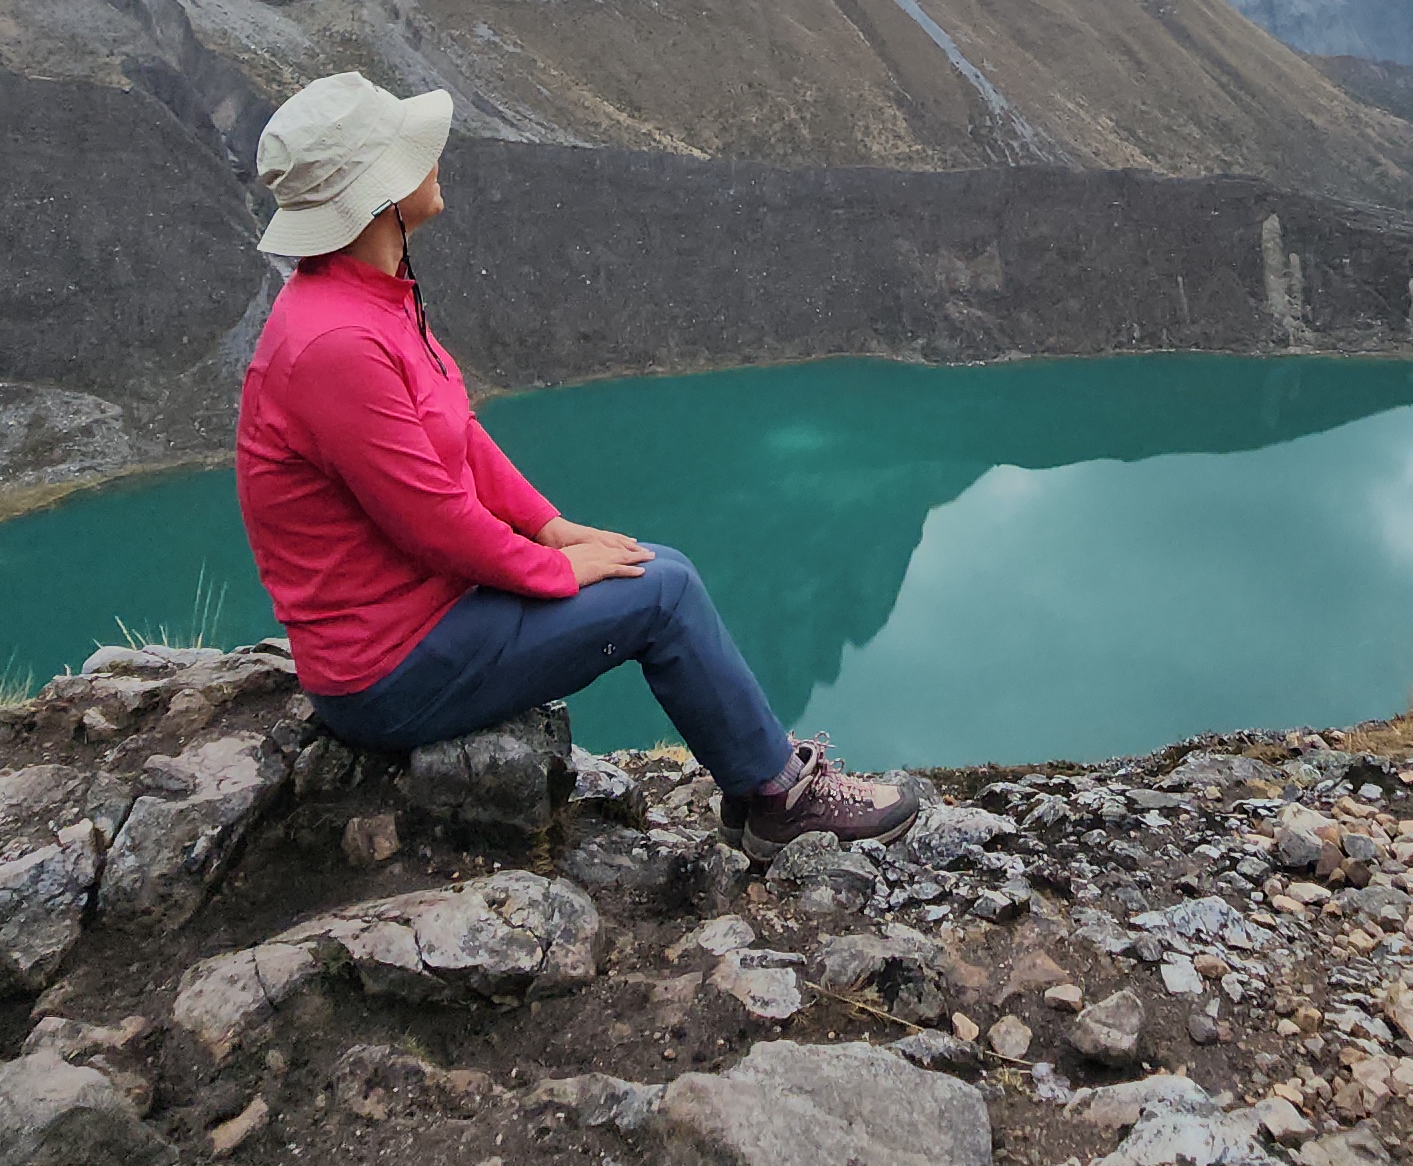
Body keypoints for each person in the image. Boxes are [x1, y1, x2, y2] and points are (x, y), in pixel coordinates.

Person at [233, 71, 916, 859]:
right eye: (412, 152)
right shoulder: (337, 346)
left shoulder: (368, 301)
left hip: (428, 622)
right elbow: (432, 523)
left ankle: (761, 783)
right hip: (390, 670)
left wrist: (553, 528)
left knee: (660, 569)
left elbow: (460, 438)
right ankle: (777, 802)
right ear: (379, 193)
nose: (435, 159)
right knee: (664, 595)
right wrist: (553, 570)